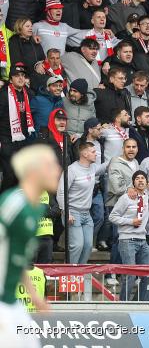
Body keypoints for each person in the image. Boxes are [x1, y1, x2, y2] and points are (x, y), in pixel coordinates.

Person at [0, 145, 61, 348]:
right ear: (35, 172)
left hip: (11, 302)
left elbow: (17, 259)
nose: (59, 170)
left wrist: (36, 297)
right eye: (52, 165)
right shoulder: (14, 204)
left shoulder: (35, 210)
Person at [109, 170, 149, 301]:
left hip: (142, 240)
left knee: (148, 274)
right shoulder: (126, 197)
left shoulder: (147, 196)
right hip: (127, 240)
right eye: (137, 178)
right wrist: (130, 221)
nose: (140, 180)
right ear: (133, 182)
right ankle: (124, 304)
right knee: (131, 275)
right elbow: (112, 216)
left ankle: (139, 304)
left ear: (147, 182)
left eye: (142, 178)